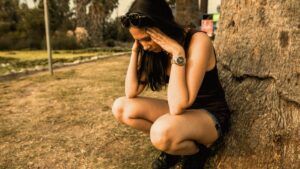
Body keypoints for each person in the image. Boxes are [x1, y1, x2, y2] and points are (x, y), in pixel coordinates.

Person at [112, 0, 230, 168]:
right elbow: (131, 91)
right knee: (121, 107)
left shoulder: (198, 41)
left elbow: (178, 106)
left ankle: (197, 152)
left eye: (146, 39)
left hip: (209, 116)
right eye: (139, 41)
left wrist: (177, 53)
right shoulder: (152, 49)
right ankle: (176, 148)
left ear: (162, 27)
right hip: (182, 115)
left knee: (160, 133)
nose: (145, 46)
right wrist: (135, 50)